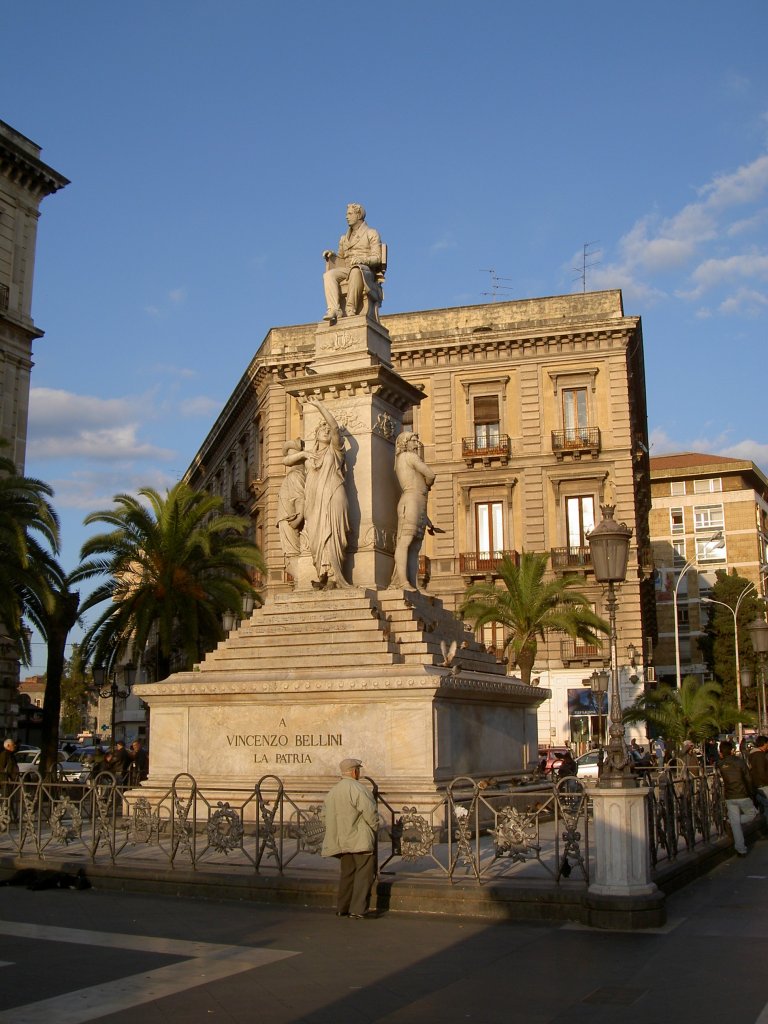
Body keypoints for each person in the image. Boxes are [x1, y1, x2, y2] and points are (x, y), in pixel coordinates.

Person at [321, 757, 379, 919]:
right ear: (354, 772)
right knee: (363, 873)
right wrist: (375, 828)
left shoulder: (333, 792)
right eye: (358, 770)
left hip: (341, 840)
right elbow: (370, 812)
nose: (359, 773)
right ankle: (358, 909)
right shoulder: (358, 789)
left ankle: (342, 907)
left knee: (347, 873)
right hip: (359, 840)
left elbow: (323, 815)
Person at [303, 398, 350, 589]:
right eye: (321, 430)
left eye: (327, 431)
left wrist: (320, 406)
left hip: (333, 495)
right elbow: (287, 459)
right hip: (315, 501)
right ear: (315, 436)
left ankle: (333, 575)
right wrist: (303, 455)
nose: (326, 431)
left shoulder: (335, 450)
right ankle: (322, 573)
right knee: (316, 537)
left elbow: (335, 426)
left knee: (333, 535)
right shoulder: (310, 456)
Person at [388, 433, 436, 590]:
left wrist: (427, 519)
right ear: (404, 443)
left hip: (418, 504)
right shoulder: (409, 456)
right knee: (405, 542)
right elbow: (430, 474)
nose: (417, 443)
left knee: (414, 546)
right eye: (413, 440)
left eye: (417, 440)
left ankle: (413, 583)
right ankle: (403, 582)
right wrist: (427, 484)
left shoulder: (403, 458)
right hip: (411, 501)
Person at [322, 204, 383, 323]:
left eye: (350, 214)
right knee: (329, 275)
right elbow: (341, 258)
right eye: (346, 214)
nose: (346, 217)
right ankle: (334, 309)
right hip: (347, 269)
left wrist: (363, 260)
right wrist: (332, 255)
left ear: (359, 215)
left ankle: (350, 308)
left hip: (366, 271)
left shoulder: (371, 233)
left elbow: (377, 257)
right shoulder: (344, 238)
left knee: (356, 270)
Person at [718, 739, 757, 856]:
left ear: (721, 752)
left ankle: (741, 849)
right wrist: (752, 794)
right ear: (732, 750)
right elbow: (748, 779)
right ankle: (730, 821)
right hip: (742, 794)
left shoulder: (720, 764)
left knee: (736, 825)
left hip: (730, 796)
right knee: (752, 814)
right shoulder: (740, 762)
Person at [276, 439, 307, 581]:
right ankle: (302, 582)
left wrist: (299, 518)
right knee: (290, 554)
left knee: (292, 553)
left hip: (289, 520)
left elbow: (300, 498)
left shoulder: (295, 476)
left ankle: (303, 583)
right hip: (286, 519)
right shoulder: (294, 475)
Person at [748, 735, 768, 820]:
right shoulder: (760, 755)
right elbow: (761, 772)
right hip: (763, 785)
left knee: (763, 806)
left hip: (756, 784)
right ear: (764, 744)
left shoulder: (752, 754)